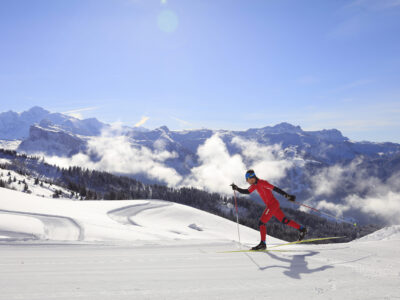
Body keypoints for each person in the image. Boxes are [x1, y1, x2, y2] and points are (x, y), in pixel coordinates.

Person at [231, 169, 307, 250]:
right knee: (284, 220)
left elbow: (275, 188)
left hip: (272, 205)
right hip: (272, 205)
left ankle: (263, 244)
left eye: (247, 180)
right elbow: (247, 191)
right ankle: (302, 229)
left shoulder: (262, 183)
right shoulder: (255, 185)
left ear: (251, 178)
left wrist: (287, 195)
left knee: (261, 223)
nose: (247, 182)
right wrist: (237, 188)